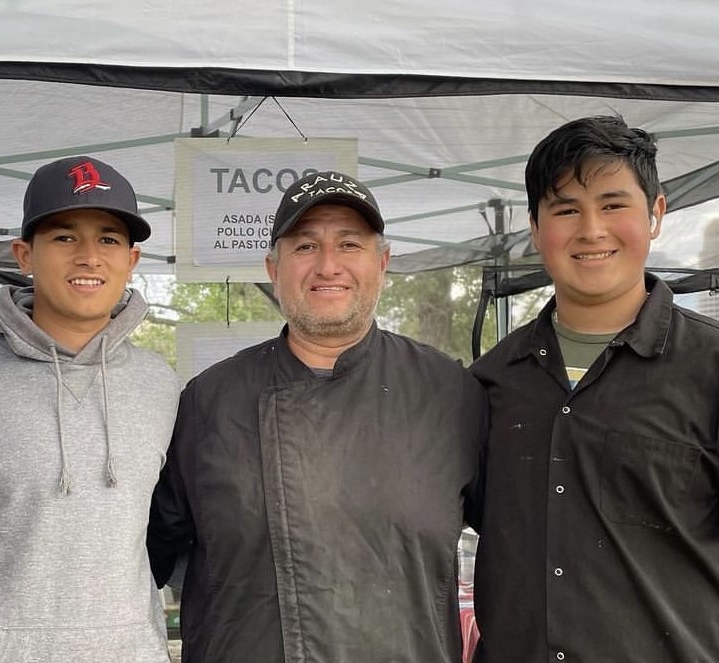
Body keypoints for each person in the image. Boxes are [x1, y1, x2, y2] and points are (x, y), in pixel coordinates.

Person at [147, 171, 488, 662]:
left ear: (383, 263)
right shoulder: (209, 401)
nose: (328, 265)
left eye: (349, 244)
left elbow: (520, 551)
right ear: (273, 266)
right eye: (305, 247)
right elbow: (143, 559)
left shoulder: (451, 392)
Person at [470, 115, 719, 662]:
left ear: (656, 213)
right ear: (536, 229)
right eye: (566, 209)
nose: (591, 230)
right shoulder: (490, 382)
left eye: (613, 205)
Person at [0, 156, 179, 662]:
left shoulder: (163, 387)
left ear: (131, 259)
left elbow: (168, 531)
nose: (88, 256)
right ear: (24, 254)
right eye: (64, 237)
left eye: (108, 238)